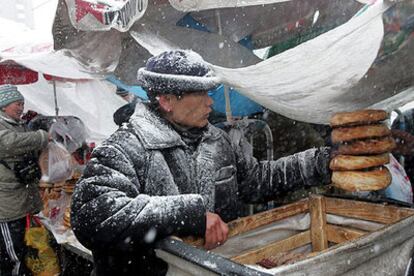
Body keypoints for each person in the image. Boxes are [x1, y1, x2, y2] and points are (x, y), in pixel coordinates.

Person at [71, 50, 332, 275]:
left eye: (209, 92)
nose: (210, 101)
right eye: (200, 94)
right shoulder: (124, 148)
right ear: (167, 100)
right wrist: (190, 215)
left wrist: (321, 162)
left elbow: (256, 181)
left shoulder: (218, 140)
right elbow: (92, 214)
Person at [0, 84, 49, 275]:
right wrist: (41, 136)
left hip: (23, 200)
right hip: (7, 205)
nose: (21, 108)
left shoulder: (17, 124)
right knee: (12, 256)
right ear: (4, 105)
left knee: (26, 251)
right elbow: (7, 143)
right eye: (17, 104)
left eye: (22, 103)